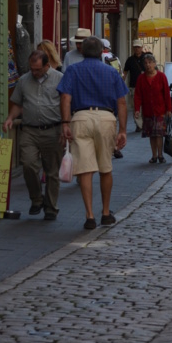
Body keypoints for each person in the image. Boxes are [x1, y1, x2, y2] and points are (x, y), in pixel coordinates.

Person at [57, 36, 128, 230]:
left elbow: (65, 97)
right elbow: (122, 103)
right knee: (106, 167)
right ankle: (105, 213)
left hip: (80, 117)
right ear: (101, 52)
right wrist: (122, 130)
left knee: (85, 169)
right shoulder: (111, 72)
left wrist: (65, 123)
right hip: (106, 117)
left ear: (82, 52)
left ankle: (89, 215)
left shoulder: (72, 70)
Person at [3, 50, 63, 220]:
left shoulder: (59, 78)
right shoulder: (24, 80)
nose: (34, 72)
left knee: (52, 172)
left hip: (53, 129)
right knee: (28, 164)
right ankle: (36, 198)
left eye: (38, 69)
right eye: (32, 69)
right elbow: (17, 103)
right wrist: (9, 118)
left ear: (47, 66)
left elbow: (66, 103)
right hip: (29, 130)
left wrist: (67, 125)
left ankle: (51, 208)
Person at [134, 54, 172, 163]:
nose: (148, 65)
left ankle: (160, 155)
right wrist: (137, 109)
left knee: (159, 133)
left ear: (154, 64)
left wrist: (169, 109)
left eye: (150, 63)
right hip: (148, 111)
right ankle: (154, 155)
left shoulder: (161, 77)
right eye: (145, 63)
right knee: (151, 134)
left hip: (160, 110)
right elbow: (138, 95)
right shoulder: (141, 78)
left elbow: (166, 94)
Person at [124, 43, 146, 131]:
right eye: (135, 47)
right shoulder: (130, 60)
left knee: (145, 105)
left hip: (146, 86)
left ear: (142, 48)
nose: (137, 49)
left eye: (138, 47)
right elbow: (125, 72)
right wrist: (122, 81)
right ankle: (139, 125)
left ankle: (145, 123)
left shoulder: (147, 57)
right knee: (136, 106)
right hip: (134, 86)